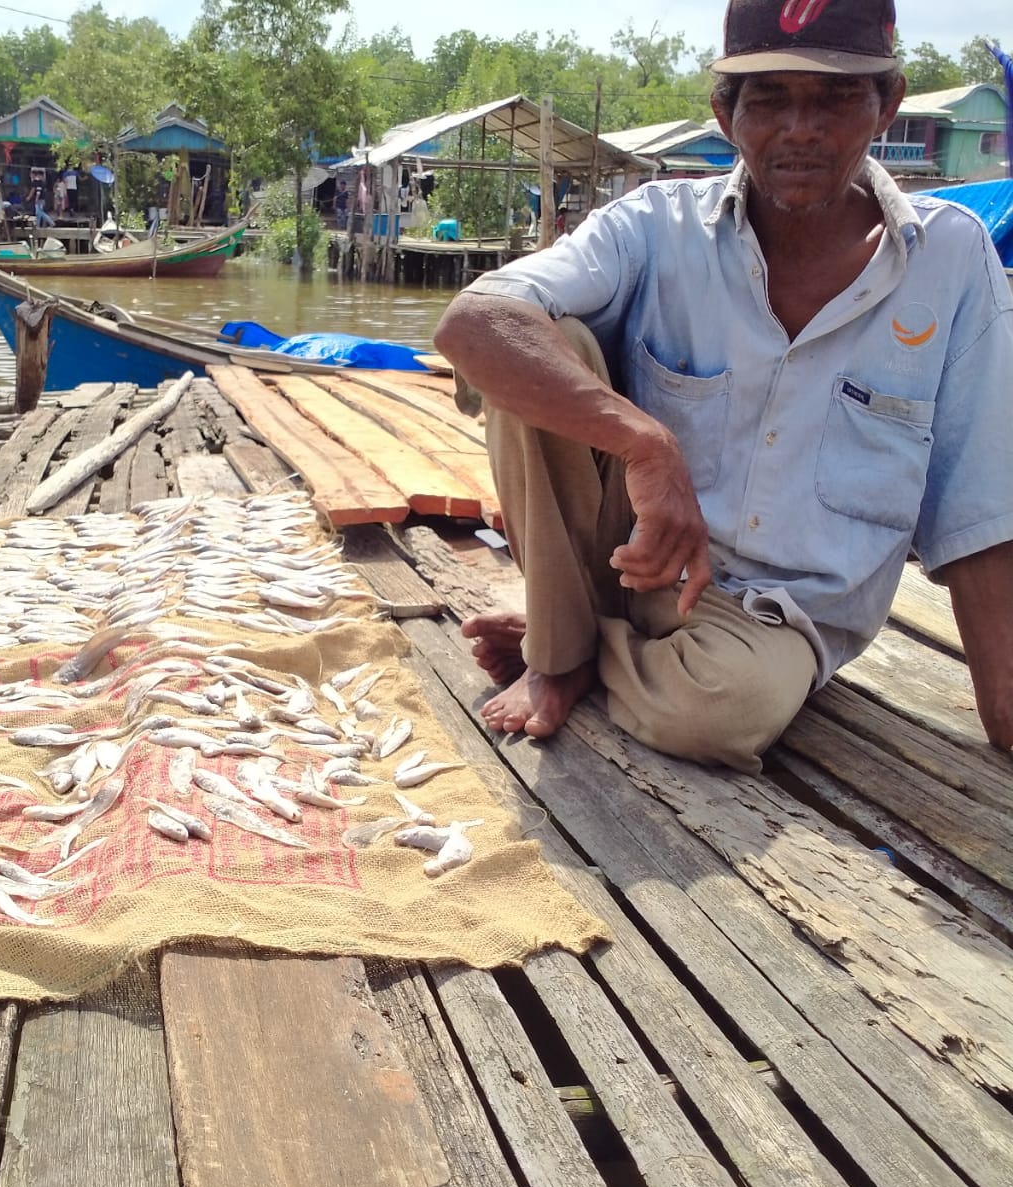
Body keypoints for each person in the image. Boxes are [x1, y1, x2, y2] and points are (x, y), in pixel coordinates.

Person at [432, 0, 1013, 774]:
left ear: (888, 105)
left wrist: (1004, 711)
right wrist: (646, 444)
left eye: (837, 97)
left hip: (771, 622)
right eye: (769, 97)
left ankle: (567, 638)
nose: (800, 128)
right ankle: (563, 652)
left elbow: (980, 509)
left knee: (721, 711)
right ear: (724, 112)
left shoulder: (950, 259)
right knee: (541, 340)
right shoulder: (654, 225)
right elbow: (472, 322)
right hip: (638, 555)